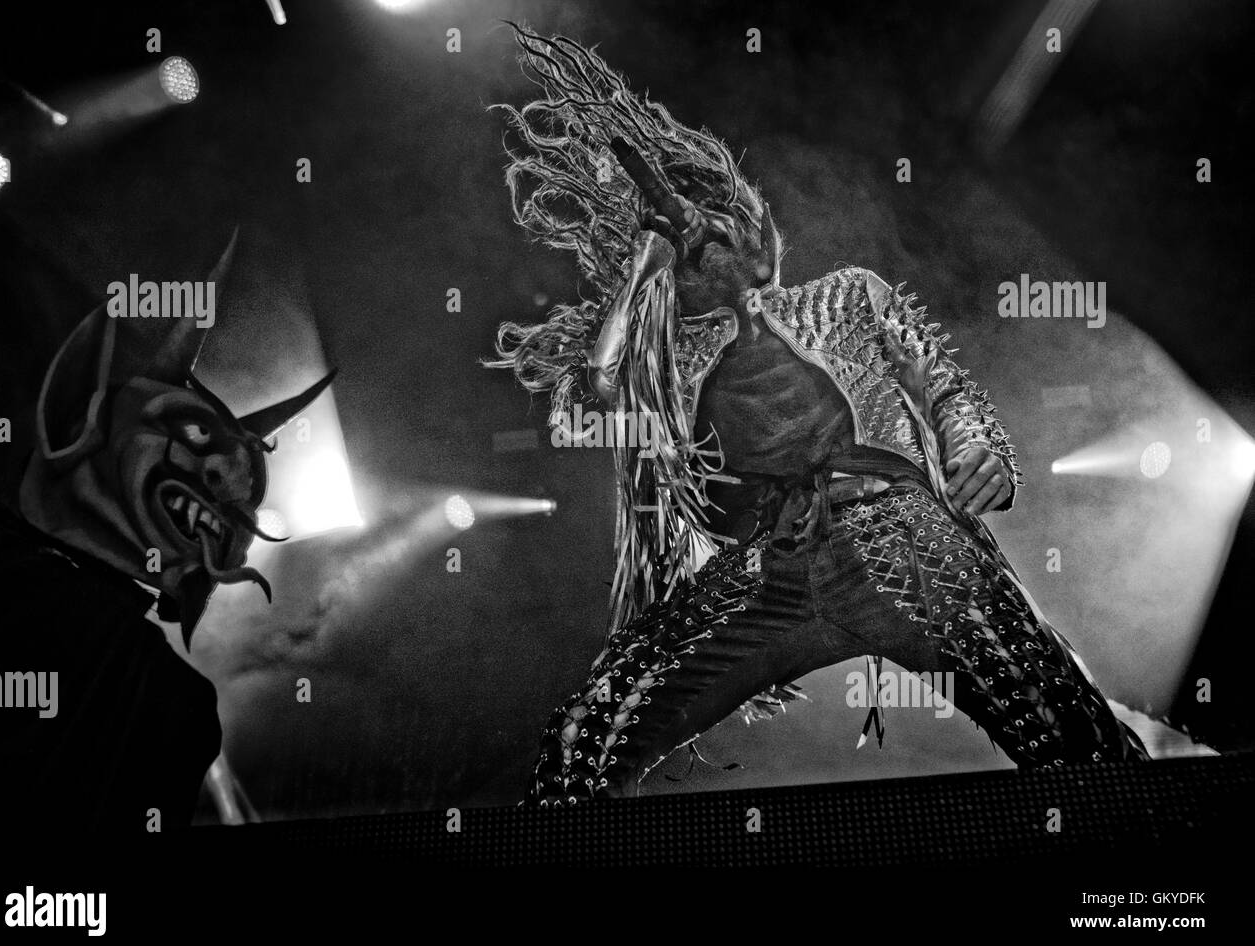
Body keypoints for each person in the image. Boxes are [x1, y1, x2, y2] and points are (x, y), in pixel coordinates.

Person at [488, 27, 1148, 806]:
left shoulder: (846, 294)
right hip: (769, 570)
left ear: (759, 235)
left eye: (717, 217)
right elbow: (605, 385)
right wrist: (648, 263)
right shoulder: (676, 357)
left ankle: (1137, 892)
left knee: (1067, 723)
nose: (700, 227)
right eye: (681, 231)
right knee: (586, 734)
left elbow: (940, 383)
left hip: (903, 536)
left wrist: (977, 447)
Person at [0, 234, 335, 833]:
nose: (229, 480)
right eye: (195, 435)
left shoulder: (170, 703)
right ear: (78, 417)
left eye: (246, 491)